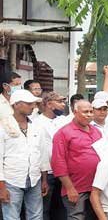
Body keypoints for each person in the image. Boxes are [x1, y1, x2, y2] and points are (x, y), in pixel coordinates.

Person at [0, 90, 49, 219]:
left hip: (34, 179)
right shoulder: (3, 126)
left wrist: (44, 179)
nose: (32, 106)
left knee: (37, 216)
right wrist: (1, 186)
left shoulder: (37, 126)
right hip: (11, 179)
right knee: (11, 217)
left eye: (33, 103)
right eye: (28, 103)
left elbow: (42, 154)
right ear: (16, 105)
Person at [52, 100, 102, 219]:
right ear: (75, 112)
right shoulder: (63, 133)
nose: (89, 114)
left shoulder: (96, 131)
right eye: (85, 112)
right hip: (76, 187)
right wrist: (69, 188)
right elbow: (58, 163)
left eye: (91, 111)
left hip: (96, 187)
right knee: (76, 217)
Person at [35, 91, 68, 220]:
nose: (63, 105)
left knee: (62, 207)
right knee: (45, 208)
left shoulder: (64, 121)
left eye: (63, 101)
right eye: (59, 102)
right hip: (46, 171)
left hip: (64, 171)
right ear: (49, 104)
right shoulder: (37, 123)